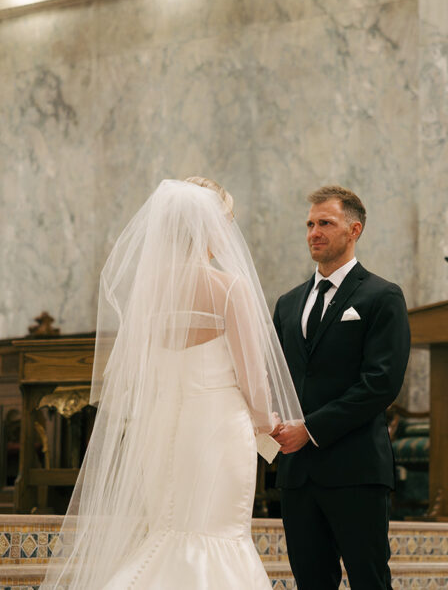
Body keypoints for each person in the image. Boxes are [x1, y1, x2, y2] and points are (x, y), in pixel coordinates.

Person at [41, 177, 303, 589]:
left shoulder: (150, 292)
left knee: (168, 530)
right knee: (216, 534)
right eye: (226, 222)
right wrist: (267, 424)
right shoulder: (229, 287)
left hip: (160, 427)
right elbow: (253, 380)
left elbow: (140, 372)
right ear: (210, 227)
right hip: (217, 429)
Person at [271, 185, 410, 590]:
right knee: (311, 583)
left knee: (369, 581)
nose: (314, 231)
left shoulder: (382, 296)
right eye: (310, 224)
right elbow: (276, 375)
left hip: (355, 468)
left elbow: (380, 383)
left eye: (325, 223)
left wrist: (310, 429)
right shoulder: (287, 303)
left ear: (355, 229)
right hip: (297, 474)